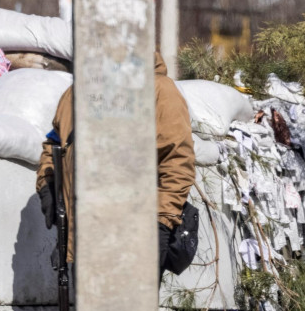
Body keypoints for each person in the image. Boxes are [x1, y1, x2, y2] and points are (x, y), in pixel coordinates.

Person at [36, 53, 196, 270]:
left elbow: (177, 161)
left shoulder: (159, 91)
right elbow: (54, 142)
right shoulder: (75, 94)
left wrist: (161, 224)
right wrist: (47, 182)